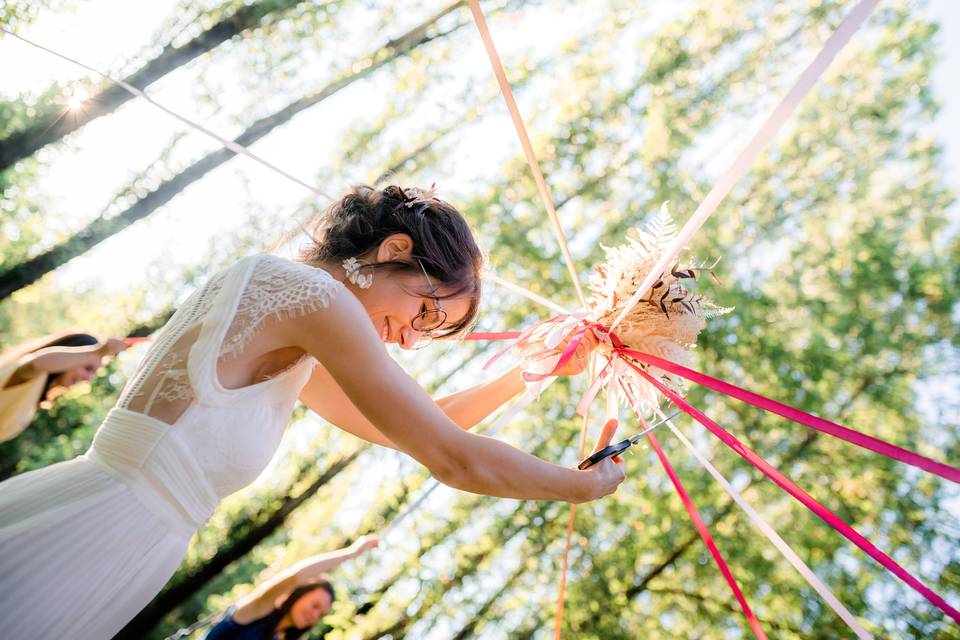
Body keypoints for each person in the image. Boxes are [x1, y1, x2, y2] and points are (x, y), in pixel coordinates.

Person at [0, 184, 624, 639]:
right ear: (394, 249)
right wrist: (581, 486)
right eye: (428, 314)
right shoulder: (317, 299)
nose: (410, 339)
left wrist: (532, 370)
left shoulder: (291, 309)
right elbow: (451, 458)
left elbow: (423, 426)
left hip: (119, 531)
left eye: (431, 334)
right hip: (103, 530)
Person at [204, 534, 380, 640]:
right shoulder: (256, 612)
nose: (314, 616)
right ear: (299, 594)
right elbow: (295, 577)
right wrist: (350, 553)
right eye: (315, 606)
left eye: (320, 614)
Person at [0, 331, 128, 442]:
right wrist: (97, 353)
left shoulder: (35, 397)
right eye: (88, 368)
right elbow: (36, 364)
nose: (88, 379)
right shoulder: (30, 374)